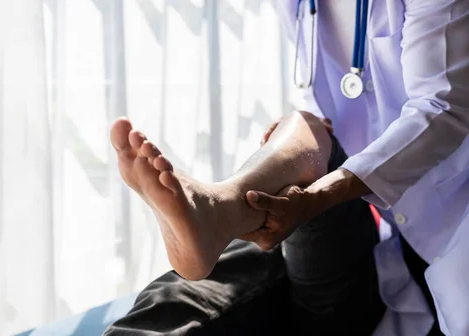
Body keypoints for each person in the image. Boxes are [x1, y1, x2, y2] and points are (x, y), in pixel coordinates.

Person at [106, 0, 469, 334]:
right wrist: (296, 148)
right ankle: (220, 208)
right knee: (172, 302)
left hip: (447, 229)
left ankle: (222, 210)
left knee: (233, 287)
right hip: (349, 217)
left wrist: (319, 195)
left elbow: (443, 107)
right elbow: (332, 103)